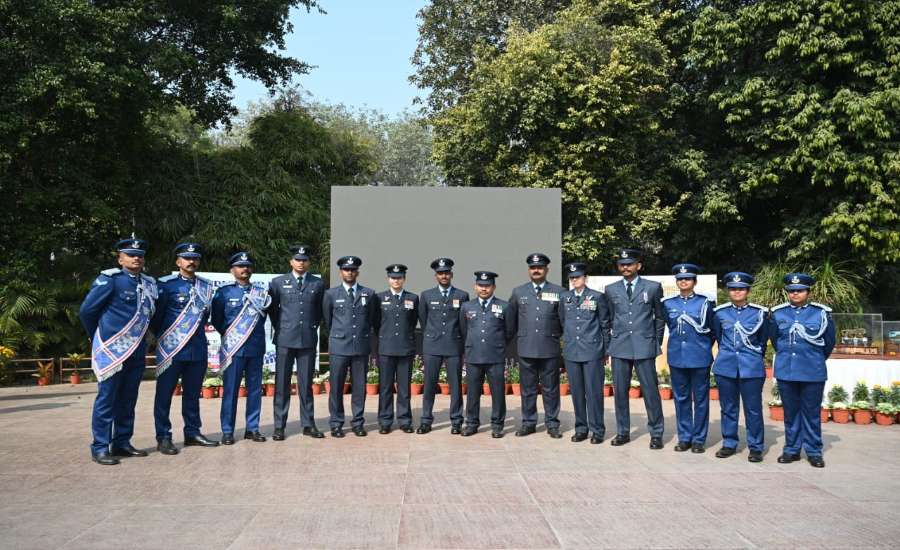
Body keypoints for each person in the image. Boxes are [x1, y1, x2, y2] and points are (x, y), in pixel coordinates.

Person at [79, 238, 157, 465]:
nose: (136, 258)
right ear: (120, 258)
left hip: (136, 351)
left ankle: (122, 442)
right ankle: (100, 447)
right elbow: (87, 311)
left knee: (128, 399)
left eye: (140, 254)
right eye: (130, 254)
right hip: (112, 350)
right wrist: (99, 337)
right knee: (107, 399)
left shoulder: (150, 283)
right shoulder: (111, 280)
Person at [152, 242, 219, 454]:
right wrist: (166, 338)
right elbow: (156, 318)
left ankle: (192, 433)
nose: (191, 261)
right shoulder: (166, 285)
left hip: (197, 349)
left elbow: (205, 317)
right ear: (178, 261)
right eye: (187, 258)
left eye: (195, 258)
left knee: (192, 395)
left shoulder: (206, 287)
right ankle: (163, 436)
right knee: (164, 395)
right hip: (171, 350)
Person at [769, 273, 836, 468]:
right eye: (791, 291)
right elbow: (775, 340)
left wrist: (813, 359)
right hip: (786, 370)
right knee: (790, 412)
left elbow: (829, 343)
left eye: (800, 290)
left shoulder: (821, 313)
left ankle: (814, 451)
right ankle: (791, 449)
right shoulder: (779, 313)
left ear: (808, 292)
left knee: (811, 412)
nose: (795, 294)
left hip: (812, 370)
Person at [604, 248, 665, 449]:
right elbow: (611, 318)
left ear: (638, 265)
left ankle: (656, 433)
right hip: (620, 346)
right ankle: (623, 432)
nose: (625, 267)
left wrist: (654, 341)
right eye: (622, 264)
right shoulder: (611, 289)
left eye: (629, 263)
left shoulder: (653, 287)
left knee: (650, 391)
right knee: (620, 392)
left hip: (644, 345)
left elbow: (659, 317)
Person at [267, 244, 326, 440]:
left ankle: (308, 424)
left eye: (304, 260)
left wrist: (309, 327)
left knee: (306, 384)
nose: (301, 263)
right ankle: (279, 425)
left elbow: (319, 312)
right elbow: (274, 311)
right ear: (291, 261)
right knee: (282, 384)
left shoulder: (317, 283)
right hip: (285, 339)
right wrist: (284, 327)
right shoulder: (278, 282)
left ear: (309, 262)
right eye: (298, 260)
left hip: (307, 339)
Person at [210, 252, 270, 445]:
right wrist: (232, 337)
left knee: (254, 391)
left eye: (247, 266)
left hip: (255, 349)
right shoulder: (223, 293)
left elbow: (262, 319)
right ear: (232, 270)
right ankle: (227, 430)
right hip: (233, 350)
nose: (244, 269)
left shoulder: (261, 293)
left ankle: (252, 429)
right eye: (240, 266)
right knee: (230, 390)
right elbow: (218, 321)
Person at [711, 271, 770, 462]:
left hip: (751, 367)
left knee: (753, 408)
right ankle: (729, 443)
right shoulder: (720, 313)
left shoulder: (759, 313)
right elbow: (719, 337)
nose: (737, 292)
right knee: (728, 407)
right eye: (733, 289)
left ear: (748, 290)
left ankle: (755, 446)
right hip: (726, 366)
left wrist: (752, 358)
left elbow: (762, 340)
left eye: (741, 289)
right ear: (728, 291)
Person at [507, 253, 565, 438]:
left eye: (540, 267)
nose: (536, 270)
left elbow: (564, 320)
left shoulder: (559, 292)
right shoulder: (518, 292)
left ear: (546, 269)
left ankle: (552, 423)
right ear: (529, 270)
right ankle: (529, 422)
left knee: (551, 388)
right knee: (528, 388)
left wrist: (557, 336)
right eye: (533, 267)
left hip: (549, 346)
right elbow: (511, 320)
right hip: (527, 346)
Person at [323, 256, 378, 437]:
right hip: (339, 346)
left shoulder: (368, 294)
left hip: (360, 346)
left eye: (353, 270)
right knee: (337, 387)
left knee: (359, 387)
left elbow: (371, 319)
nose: (350, 272)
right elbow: (328, 321)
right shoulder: (331, 294)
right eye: (346, 270)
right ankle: (336, 423)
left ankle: (358, 422)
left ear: (357, 272)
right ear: (341, 272)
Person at [662, 263, 715, 453]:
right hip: (677, 356)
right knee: (681, 398)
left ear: (695, 281)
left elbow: (712, 330)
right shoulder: (667, 303)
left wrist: (703, 347)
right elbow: (670, 325)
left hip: (699, 356)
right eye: (680, 279)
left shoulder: (706, 303)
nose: (683, 281)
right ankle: (685, 437)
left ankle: (699, 439)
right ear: (676, 282)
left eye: (687, 278)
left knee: (700, 399)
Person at [559, 262, 610, 443]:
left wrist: (606, 350)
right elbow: (563, 322)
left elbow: (604, 324)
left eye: (577, 277)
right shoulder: (565, 298)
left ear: (585, 278)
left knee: (594, 392)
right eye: (572, 278)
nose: (574, 280)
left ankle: (597, 430)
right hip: (573, 351)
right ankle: (581, 428)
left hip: (592, 351)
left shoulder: (597, 297)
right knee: (577, 392)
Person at [417, 258, 469, 434]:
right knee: (429, 385)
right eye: (440, 273)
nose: (444, 275)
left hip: (454, 345)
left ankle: (456, 421)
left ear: (451, 274)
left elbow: (463, 323)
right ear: (436, 276)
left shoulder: (462, 296)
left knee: (455, 386)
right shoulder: (426, 295)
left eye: (446, 272)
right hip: (432, 346)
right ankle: (426, 420)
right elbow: (424, 321)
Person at [460, 271, 515, 437]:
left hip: (495, 356)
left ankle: (497, 424)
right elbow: (464, 330)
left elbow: (510, 331)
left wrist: (498, 345)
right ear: (475, 286)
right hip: (474, 355)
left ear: (494, 287)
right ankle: (471, 423)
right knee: (473, 392)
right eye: (481, 285)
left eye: (487, 286)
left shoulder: (505, 306)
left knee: (498, 392)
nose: (484, 289)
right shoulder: (467, 306)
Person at [374, 264, 419, 434]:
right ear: (388, 279)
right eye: (393, 277)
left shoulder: (413, 298)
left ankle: (404, 420)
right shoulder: (379, 298)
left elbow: (413, 322)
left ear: (404, 279)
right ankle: (385, 421)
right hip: (386, 348)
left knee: (404, 388)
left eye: (399, 277)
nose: (396, 280)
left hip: (405, 348)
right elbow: (376, 322)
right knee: (385, 387)